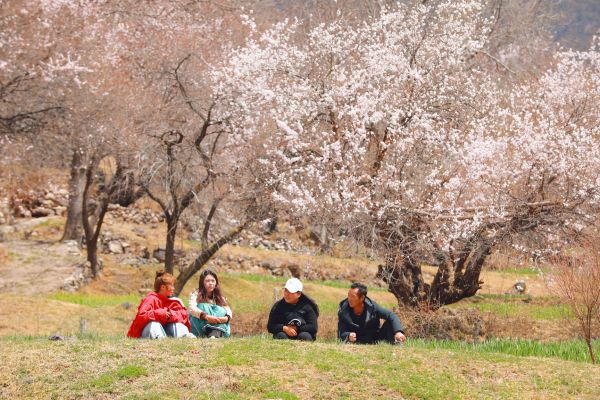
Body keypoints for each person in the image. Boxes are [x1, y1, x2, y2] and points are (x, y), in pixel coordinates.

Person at [127, 270, 194, 339]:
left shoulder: (174, 301)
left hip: (167, 332)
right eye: (171, 286)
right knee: (154, 324)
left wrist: (170, 315)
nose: (173, 288)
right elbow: (141, 316)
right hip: (148, 333)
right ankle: (160, 340)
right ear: (163, 287)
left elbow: (183, 316)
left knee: (177, 324)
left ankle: (185, 337)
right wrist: (159, 314)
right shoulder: (150, 299)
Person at [338, 282, 406, 344]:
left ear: (362, 298)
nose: (349, 299)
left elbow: (391, 315)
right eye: (348, 295)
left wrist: (398, 332)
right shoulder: (343, 311)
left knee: (390, 322)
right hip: (357, 341)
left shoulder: (373, 307)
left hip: (375, 339)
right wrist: (348, 335)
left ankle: (397, 344)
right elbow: (341, 333)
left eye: (353, 296)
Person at [188, 269, 232, 338]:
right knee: (202, 306)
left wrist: (225, 318)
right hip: (200, 326)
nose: (210, 283)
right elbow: (191, 308)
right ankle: (210, 334)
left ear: (216, 283)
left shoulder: (220, 297)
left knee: (221, 310)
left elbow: (228, 310)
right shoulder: (195, 294)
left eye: (213, 281)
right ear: (202, 282)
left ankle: (215, 334)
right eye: (207, 281)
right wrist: (206, 316)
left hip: (217, 325)